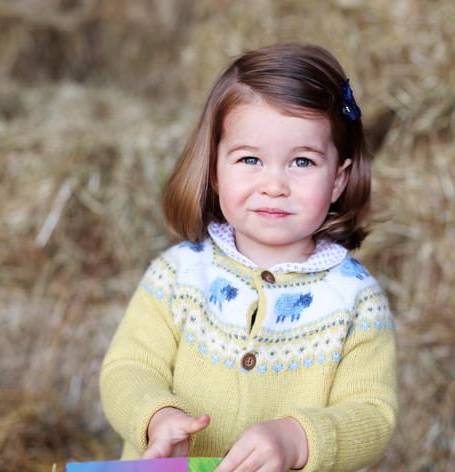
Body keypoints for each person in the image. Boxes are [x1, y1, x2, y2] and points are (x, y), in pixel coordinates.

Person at [100, 43, 398, 472]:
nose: (274, 184)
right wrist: (155, 416)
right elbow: (127, 367)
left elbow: (373, 412)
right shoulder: (179, 275)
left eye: (301, 161)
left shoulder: (355, 300)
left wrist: (298, 438)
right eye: (250, 159)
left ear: (337, 180)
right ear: (216, 171)